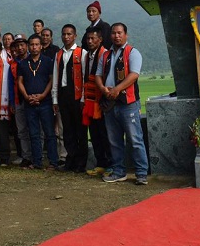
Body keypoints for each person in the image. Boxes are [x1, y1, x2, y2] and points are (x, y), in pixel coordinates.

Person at [96, 23, 148, 185]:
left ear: (126, 35)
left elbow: (134, 75)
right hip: (110, 103)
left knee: (135, 138)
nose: (116, 36)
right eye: (113, 33)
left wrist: (117, 89)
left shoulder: (133, 52)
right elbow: (98, 75)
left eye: (119, 33)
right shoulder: (105, 55)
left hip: (128, 103)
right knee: (114, 140)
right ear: (110, 35)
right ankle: (119, 171)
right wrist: (104, 89)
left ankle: (141, 173)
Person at [17, 34, 59, 170]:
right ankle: (37, 162)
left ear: (41, 46)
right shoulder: (23, 63)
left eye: (36, 44)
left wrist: (42, 96)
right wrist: (27, 96)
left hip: (45, 102)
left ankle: (53, 162)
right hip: (29, 104)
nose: (34, 47)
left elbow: (51, 80)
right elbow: (20, 82)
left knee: (49, 133)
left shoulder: (48, 61)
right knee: (33, 134)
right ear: (28, 46)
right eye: (32, 45)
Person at [52, 24, 87, 172]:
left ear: (75, 36)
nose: (66, 37)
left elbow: (85, 77)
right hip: (63, 96)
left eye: (69, 34)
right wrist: (55, 99)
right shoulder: (59, 54)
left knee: (80, 131)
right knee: (67, 131)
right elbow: (55, 77)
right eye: (64, 34)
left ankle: (81, 163)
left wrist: (83, 98)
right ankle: (70, 160)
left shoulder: (82, 53)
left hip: (77, 96)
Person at [82, 26, 112, 176]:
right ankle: (101, 164)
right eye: (88, 38)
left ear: (100, 40)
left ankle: (111, 165)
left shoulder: (105, 54)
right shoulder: (87, 56)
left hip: (102, 101)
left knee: (105, 134)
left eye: (93, 38)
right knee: (94, 134)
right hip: (90, 101)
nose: (90, 41)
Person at [9, 35, 32, 168]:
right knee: (21, 130)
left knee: (34, 129)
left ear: (26, 45)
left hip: (33, 99)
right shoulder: (13, 64)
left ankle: (36, 155)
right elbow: (11, 85)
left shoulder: (33, 59)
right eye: (17, 45)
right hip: (18, 100)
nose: (20, 47)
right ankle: (26, 156)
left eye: (22, 45)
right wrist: (12, 102)